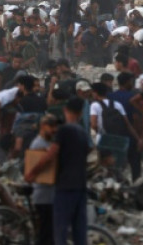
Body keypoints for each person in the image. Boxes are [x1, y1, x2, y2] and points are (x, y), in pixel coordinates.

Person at [25, 97, 90, 245]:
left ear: (65, 110)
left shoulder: (65, 130)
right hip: (81, 186)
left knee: (59, 231)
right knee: (79, 231)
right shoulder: (82, 132)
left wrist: (32, 173)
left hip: (65, 187)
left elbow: (50, 156)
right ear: (80, 113)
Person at [28, 115, 59, 245]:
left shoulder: (49, 143)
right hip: (43, 196)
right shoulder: (38, 144)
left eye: (55, 126)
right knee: (46, 235)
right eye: (51, 126)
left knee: (48, 233)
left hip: (50, 195)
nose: (54, 130)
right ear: (43, 127)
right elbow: (39, 170)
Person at [57, 0, 79, 65]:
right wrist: (58, 23)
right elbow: (61, 10)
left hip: (68, 25)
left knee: (69, 45)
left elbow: (74, 13)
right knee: (59, 45)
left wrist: (72, 25)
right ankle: (64, 62)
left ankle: (74, 63)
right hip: (62, 24)